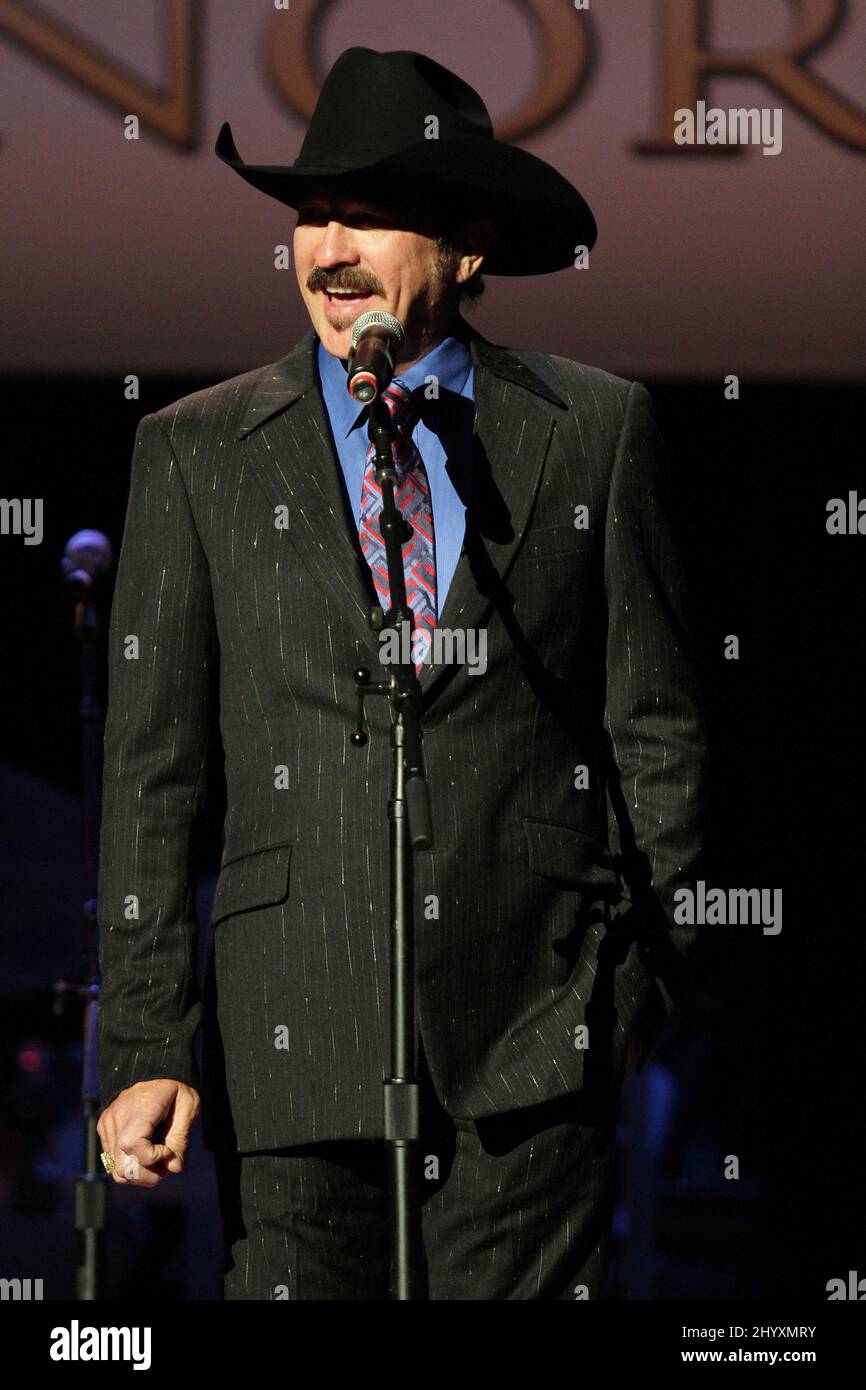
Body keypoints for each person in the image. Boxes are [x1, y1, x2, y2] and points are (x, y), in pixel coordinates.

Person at [96, 46, 705, 1300]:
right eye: (311, 215)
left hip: (534, 1038)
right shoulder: (196, 451)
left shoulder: (593, 430)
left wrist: (635, 981)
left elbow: (655, 729)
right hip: (291, 1036)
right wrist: (149, 1039)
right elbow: (153, 773)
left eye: (366, 218)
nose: (326, 248)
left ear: (468, 249)